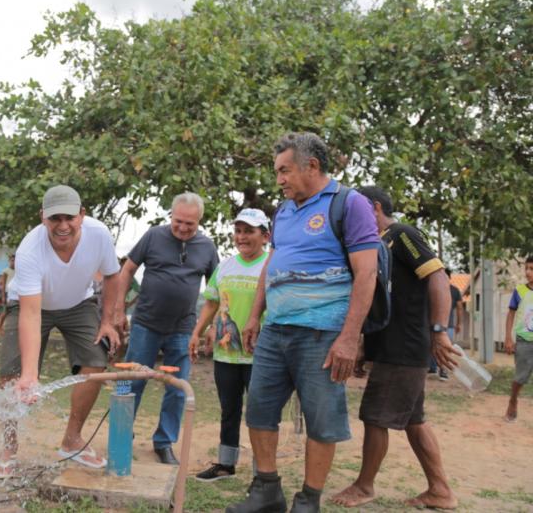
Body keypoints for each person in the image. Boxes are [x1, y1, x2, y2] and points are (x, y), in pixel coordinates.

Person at [228, 133, 379, 513]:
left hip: (323, 334)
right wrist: (254, 315)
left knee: (321, 420)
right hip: (276, 330)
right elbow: (272, 265)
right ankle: (266, 491)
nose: (278, 179)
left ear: (311, 166)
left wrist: (349, 338)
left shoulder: (350, 204)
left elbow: (367, 275)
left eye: (284, 170)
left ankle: (309, 500)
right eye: (277, 171)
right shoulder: (284, 211)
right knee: (260, 411)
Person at [331, 185, 458, 510]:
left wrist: (440, 332)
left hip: (404, 348)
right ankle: (440, 490)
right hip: (392, 347)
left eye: (354, 211)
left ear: (373, 208)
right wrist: (363, 345)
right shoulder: (376, 244)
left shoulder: (399, 234)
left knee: (375, 416)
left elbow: (439, 277)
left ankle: (364, 485)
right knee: (414, 420)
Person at [0, 185, 120, 478]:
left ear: (82, 215)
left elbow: (112, 275)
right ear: (43, 218)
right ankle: (8, 448)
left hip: (79, 303)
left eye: (69, 218)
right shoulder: (29, 250)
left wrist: (108, 321)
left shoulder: (99, 235)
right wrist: (29, 375)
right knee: (11, 375)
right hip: (30, 304)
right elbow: (31, 313)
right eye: (55, 219)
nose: (63, 226)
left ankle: (72, 440)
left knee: (96, 363)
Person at [116, 192, 219, 465]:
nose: (183, 228)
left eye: (190, 224)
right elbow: (127, 270)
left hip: (184, 330)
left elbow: (216, 290)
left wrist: (212, 326)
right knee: (132, 382)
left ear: (199, 221)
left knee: (176, 388)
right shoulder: (153, 236)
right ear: (171, 216)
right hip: (145, 325)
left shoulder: (207, 247)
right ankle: (121, 437)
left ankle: (164, 442)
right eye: (179, 222)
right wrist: (118, 310)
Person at [189, 208, 270, 481]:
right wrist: (198, 331)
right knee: (229, 410)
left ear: (265, 235)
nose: (242, 237)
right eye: (238, 231)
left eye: (249, 231)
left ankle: (264, 472)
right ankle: (226, 464)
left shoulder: (272, 264)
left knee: (262, 414)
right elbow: (212, 302)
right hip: (226, 354)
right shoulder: (225, 266)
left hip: (261, 354)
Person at [503, 255, 533, 422]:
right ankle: (513, 400)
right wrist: (508, 338)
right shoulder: (520, 291)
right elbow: (511, 314)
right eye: (527, 268)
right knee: (520, 377)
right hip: (524, 341)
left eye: (532, 269)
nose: (528, 272)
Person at [428, 268, 464, 380]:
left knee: (444, 348)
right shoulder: (454, 290)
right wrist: (459, 323)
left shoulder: (452, 290)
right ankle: (435, 368)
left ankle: (442, 370)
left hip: (444, 325)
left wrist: (459, 324)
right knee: (437, 346)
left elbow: (459, 308)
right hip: (443, 325)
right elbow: (459, 309)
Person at [0, 254, 15, 334]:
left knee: (13, 312)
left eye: (15, 261)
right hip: (7, 293)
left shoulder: (19, 271)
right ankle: (0, 326)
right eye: (12, 260)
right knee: (5, 311)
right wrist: (3, 296)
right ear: (9, 261)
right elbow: (3, 284)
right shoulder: (5, 271)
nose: (13, 262)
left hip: (15, 294)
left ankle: (10, 327)